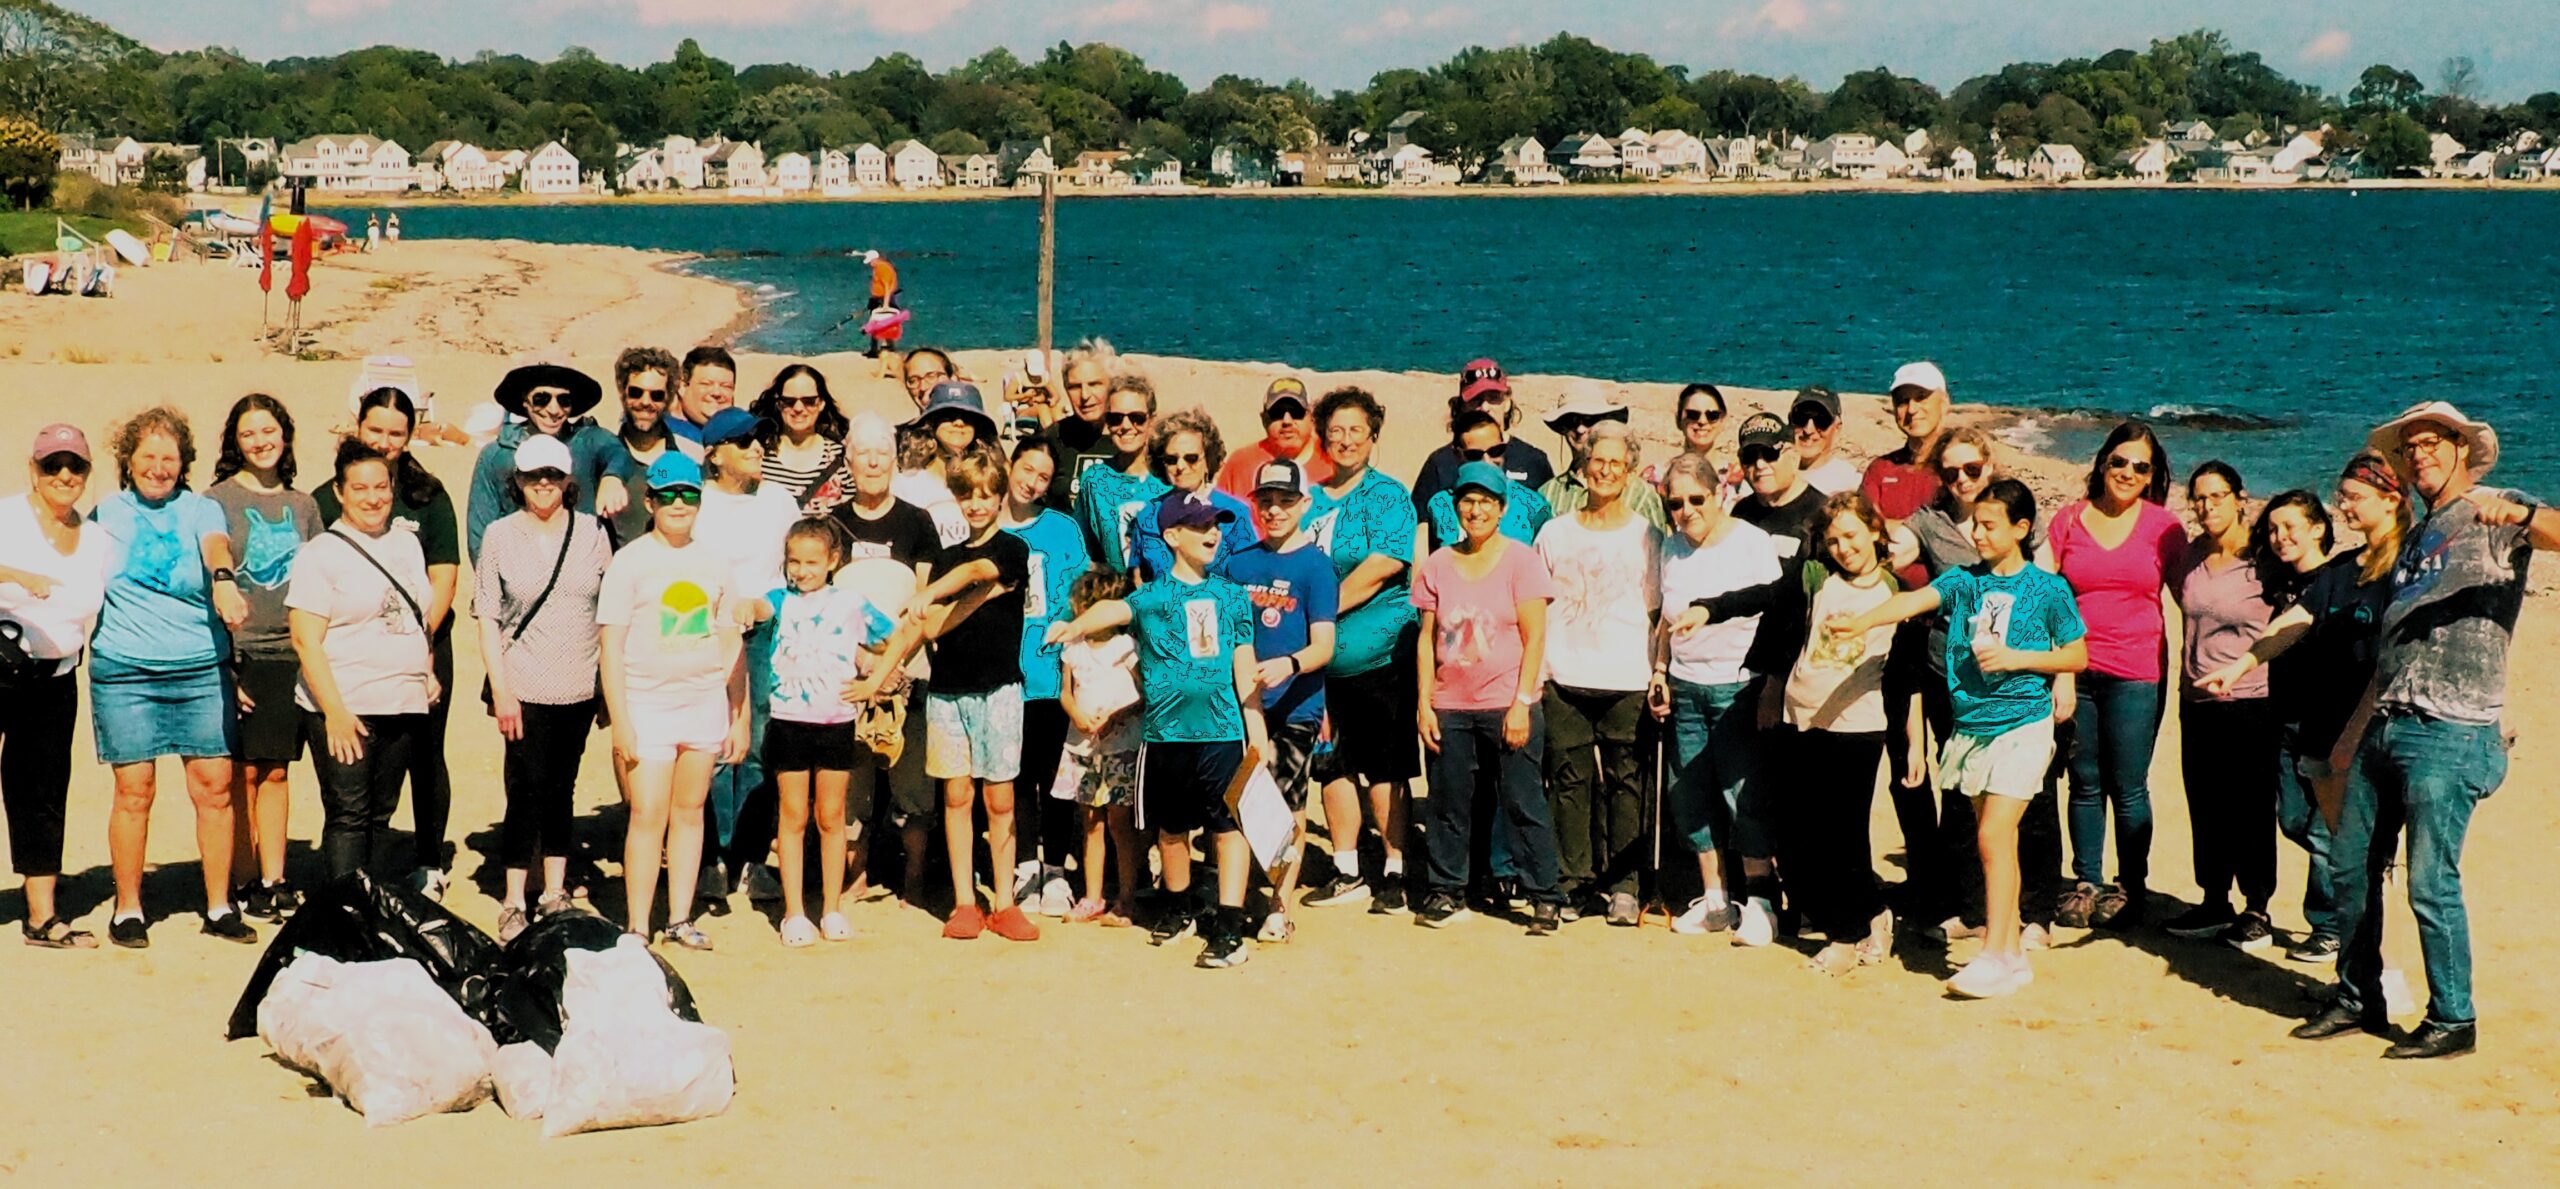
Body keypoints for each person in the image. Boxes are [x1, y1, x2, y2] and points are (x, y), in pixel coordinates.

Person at [2290, 403, 2556, 1060]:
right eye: (2409, 448)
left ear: (2462, 447)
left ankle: (2453, 1018)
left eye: (2431, 442)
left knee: (2430, 880)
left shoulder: (2497, 508)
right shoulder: (2417, 538)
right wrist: (2352, 735)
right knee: (2350, 866)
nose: (2419, 455)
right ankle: (2358, 996)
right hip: (2387, 722)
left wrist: (2521, 516)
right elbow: (2393, 648)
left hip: (2453, 729)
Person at [1826, 478, 2087, 999]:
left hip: (2023, 723)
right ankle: (2011, 954)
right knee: (1997, 842)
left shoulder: (2047, 589)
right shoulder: (1964, 581)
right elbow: (1914, 600)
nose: (1978, 533)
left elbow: (2076, 654)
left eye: (1989, 526)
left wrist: (2019, 659)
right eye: (1976, 525)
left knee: (1993, 836)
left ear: (2021, 528)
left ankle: (1993, 954)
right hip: (1971, 727)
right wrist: (1861, 622)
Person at [2197, 456, 2404, 965]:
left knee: (2342, 840)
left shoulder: (2400, 567)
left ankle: (2336, 933)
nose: (2344, 506)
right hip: (2302, 722)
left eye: (2353, 497)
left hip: (2362, 726)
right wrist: (2241, 665)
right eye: (2273, 528)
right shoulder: (2336, 573)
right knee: (2297, 821)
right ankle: (2351, 947)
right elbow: (2289, 623)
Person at [1046, 492, 1268, 967]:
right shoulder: (1150, 596)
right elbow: (1112, 612)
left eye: (1216, 524)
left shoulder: (1232, 596)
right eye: (1200, 525)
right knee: (1171, 830)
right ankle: (1179, 909)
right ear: (1172, 536)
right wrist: (1073, 627)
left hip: (1222, 732)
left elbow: (1244, 665)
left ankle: (1229, 929)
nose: (1213, 533)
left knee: (1228, 828)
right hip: (1165, 735)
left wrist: (1258, 729)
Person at [858, 444, 1041, 942]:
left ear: (1000, 497)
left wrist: (932, 594)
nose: (976, 504)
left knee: (1000, 799)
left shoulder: (1011, 549)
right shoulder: (944, 556)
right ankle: (964, 902)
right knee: (956, 796)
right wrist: (875, 680)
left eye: (985, 495)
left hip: (999, 691)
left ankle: (1004, 902)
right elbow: (918, 629)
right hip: (948, 692)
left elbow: (977, 572)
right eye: (967, 495)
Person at [92, 406, 253, 948]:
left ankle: (219, 905)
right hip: (125, 671)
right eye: (148, 457)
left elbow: (215, 546)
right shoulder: (105, 513)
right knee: (133, 790)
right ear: (127, 460)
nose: (158, 468)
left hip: (199, 667)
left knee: (214, 787)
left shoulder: (201, 509)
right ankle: (128, 909)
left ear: (184, 463)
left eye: (170, 458)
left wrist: (223, 580)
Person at [1902, 428, 2064, 948]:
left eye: (1971, 468)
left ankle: (2037, 913)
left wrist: (2062, 678)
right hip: (1954, 681)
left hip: (2022, 682)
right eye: (1951, 471)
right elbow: (1897, 548)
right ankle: (1973, 909)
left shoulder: (2017, 518)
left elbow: (2054, 600)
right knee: (1962, 798)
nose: (1962, 479)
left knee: (2031, 798)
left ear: (1989, 465)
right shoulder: (1931, 521)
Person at [317, 386, 462, 898]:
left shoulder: (427, 495)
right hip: (352, 652)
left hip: (424, 644)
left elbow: (444, 577)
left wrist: (418, 644)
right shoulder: (328, 495)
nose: (384, 441)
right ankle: (348, 877)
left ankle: (428, 858)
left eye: (396, 433)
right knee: (353, 776)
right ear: (358, 427)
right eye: (375, 429)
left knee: (425, 755)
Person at [1409, 460, 1564, 935]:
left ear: (1501, 508)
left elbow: (1535, 637)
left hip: (1506, 702)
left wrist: (1522, 702)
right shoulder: (1438, 563)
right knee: (1448, 803)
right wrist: (1424, 702)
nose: (1475, 511)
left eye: (1485, 502)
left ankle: (1544, 895)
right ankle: (1447, 888)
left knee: (1522, 802)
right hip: (1451, 704)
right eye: (1467, 501)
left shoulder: (1521, 561)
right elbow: (1426, 638)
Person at [600, 453, 744, 949]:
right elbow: (610, 647)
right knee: (647, 813)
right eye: (667, 496)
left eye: (688, 495)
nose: (678, 504)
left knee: (690, 810)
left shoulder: (714, 562)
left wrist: (738, 714)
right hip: (645, 704)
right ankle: (638, 925)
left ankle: (680, 918)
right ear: (650, 503)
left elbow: (730, 640)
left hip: (703, 701)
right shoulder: (629, 562)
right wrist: (621, 721)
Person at [473, 435, 613, 943]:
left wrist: (606, 688)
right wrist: (501, 690)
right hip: (524, 684)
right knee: (525, 788)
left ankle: (555, 889)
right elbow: (487, 617)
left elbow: (607, 611)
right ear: (518, 480)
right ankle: (514, 896)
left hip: (578, 684)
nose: (544, 484)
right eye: (534, 476)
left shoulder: (593, 532)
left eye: (552, 475)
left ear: (568, 478)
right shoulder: (499, 536)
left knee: (561, 787)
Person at [2048, 420, 2182, 931]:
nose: (2127, 472)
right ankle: (2086, 882)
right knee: (2084, 782)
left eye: (2140, 467)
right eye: (2119, 461)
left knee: (2128, 786)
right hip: (2076, 670)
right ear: (2103, 463)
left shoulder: (2164, 528)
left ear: (2152, 476)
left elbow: (2193, 596)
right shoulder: (2068, 520)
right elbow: (2044, 592)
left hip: (2136, 672)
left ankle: (2131, 886)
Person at [289, 440, 437, 885]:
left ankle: (372, 906)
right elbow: (305, 639)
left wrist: (426, 670)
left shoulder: (407, 544)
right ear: (339, 491)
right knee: (349, 814)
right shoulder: (321, 554)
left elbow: (417, 615)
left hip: (403, 701)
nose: (373, 498)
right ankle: (346, 911)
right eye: (360, 488)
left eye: (381, 487)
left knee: (380, 813)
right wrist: (334, 712)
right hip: (346, 704)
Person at [1299, 387, 1421, 913]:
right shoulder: (1310, 499)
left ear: (1373, 436)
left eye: (1356, 431)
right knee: (1331, 762)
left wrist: (1323, 613)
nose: (1346, 440)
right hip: (1320, 661)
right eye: (1336, 431)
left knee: (1386, 767)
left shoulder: (1387, 495)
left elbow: (1383, 565)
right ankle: (1346, 869)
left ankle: (1395, 871)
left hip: (1380, 657)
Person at [1651, 453, 1783, 940]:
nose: (1686, 511)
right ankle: (1715, 901)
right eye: (1675, 503)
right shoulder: (1670, 547)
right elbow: (1666, 619)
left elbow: (1776, 615)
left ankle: (1761, 904)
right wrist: (1660, 670)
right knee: (1691, 795)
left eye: (1696, 499)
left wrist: (1771, 686)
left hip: (1738, 686)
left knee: (1743, 797)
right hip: (1686, 686)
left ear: (1719, 494)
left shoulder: (1752, 542)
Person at [1535, 423, 1661, 926]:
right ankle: (1574, 882)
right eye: (1597, 462)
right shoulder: (1555, 532)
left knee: (1626, 781)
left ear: (1629, 473)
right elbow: (1538, 603)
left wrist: (1657, 670)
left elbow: (1656, 608)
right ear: (1583, 466)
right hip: (1564, 673)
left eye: (1616, 464)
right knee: (1570, 781)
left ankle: (1625, 886)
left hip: (1627, 675)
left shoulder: (1646, 535)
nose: (1605, 471)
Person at [1770, 493, 1901, 974]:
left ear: (1874, 531)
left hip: (1856, 727)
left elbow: (1907, 674)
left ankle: (1845, 938)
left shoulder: (1894, 591)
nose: (1844, 548)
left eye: (1851, 535)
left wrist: (1913, 743)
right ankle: (1871, 912)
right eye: (1833, 541)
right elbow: (1765, 599)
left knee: (1842, 835)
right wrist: (1709, 608)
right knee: (1799, 834)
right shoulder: (1817, 579)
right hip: (1801, 719)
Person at [2160, 461, 2283, 949]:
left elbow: (2294, 617)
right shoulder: (2191, 555)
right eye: (2199, 498)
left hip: (2251, 700)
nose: (2207, 506)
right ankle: (2214, 900)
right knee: (2205, 802)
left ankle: (2257, 907)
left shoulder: (2265, 558)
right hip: (2196, 699)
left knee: (2250, 806)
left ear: (2240, 498)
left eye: (2217, 496)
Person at [207, 395, 321, 921]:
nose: (260, 442)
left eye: (269, 430)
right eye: (249, 433)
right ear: (235, 441)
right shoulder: (216, 502)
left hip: (289, 651)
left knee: (276, 771)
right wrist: (225, 666)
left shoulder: (304, 505)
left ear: (285, 434)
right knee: (241, 774)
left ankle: (275, 877)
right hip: (239, 652)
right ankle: (244, 876)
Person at [825, 412, 942, 907]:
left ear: (895, 461)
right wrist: (859, 659)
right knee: (853, 778)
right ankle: (856, 873)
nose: (873, 463)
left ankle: (912, 876)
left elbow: (924, 599)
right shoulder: (832, 523)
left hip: (907, 667)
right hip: (847, 669)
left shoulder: (917, 521)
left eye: (882, 454)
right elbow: (820, 598)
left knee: (911, 777)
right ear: (849, 462)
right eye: (863, 454)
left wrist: (894, 663)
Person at [1, 425, 110, 949]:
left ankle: (41, 917)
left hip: (55, 679)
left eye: (75, 466)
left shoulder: (96, 538)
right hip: (0, 665)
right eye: (52, 465)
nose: (64, 475)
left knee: (42, 794)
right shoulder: (8, 517)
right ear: (34, 469)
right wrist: (14, 575)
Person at [1223, 459, 1339, 942]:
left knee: (1289, 802)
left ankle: (1279, 905)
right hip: (1242, 703)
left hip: (1295, 704)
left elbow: (1324, 645)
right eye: (1265, 501)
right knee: (1239, 799)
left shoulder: (1316, 566)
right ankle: (1233, 896)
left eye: (1285, 501)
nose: (1274, 511)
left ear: (1304, 504)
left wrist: (1289, 664)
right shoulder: (1238, 563)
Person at [759, 517, 890, 946]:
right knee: (792, 815)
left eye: (812, 562)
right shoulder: (778, 600)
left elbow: (895, 638)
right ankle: (794, 912)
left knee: (831, 816)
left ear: (833, 560)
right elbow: (757, 611)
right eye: (794, 561)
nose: (802, 571)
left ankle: (832, 908)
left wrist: (872, 676)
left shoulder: (851, 603)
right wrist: (745, 608)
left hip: (836, 720)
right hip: (788, 719)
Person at [692, 407, 801, 906]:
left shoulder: (779, 501)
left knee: (759, 745)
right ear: (715, 454)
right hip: (705, 633)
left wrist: (767, 607)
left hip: (766, 632)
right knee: (714, 746)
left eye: (760, 439)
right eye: (743, 442)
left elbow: (796, 571)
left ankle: (753, 858)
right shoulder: (698, 503)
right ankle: (713, 857)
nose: (757, 448)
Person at [1000, 437, 1091, 917]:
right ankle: (1023, 867)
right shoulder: (987, 523)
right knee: (1014, 777)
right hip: (1001, 672)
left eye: (1043, 476)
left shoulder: (1061, 529)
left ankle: (1055, 869)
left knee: (1056, 777)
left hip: (1052, 673)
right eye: (1027, 469)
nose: (1032, 482)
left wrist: (1070, 628)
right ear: (1009, 464)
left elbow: (1081, 594)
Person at [465, 354, 621, 561]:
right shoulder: (496, 456)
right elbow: (480, 533)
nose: (553, 410)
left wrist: (613, 477)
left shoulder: (588, 443)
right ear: (525, 401)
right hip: (517, 570)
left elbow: (619, 452)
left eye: (563, 400)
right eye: (542, 399)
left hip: (580, 569)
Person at [1055, 569, 1144, 925]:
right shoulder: (1073, 648)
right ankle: (1092, 897)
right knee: (1090, 821)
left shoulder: (1126, 647)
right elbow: (1066, 693)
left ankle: (1126, 898)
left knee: (1120, 823)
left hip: (1121, 745)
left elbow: (1144, 694)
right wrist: (1076, 714)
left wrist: (1116, 717)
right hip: (1082, 747)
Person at [1410, 359, 1556, 517]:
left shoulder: (1533, 461)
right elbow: (1421, 522)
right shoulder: (1440, 463)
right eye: (1476, 400)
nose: (1485, 407)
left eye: (1493, 398)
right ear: (1462, 406)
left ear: (1507, 403)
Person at [1130, 407, 1257, 582]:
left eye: (1191, 458)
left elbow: (1250, 575)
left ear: (1209, 460)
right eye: (1171, 460)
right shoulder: (1149, 514)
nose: (1180, 466)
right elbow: (1138, 578)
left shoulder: (1235, 512)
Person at [601, 347, 700, 546]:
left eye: (656, 395)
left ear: (668, 397)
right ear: (622, 393)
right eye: (636, 393)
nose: (645, 402)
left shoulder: (692, 456)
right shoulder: (602, 458)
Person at [1072, 373, 1170, 574]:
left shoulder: (1169, 480)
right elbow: (1081, 546)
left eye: (1136, 418)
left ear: (1151, 420)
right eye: (1116, 419)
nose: (1126, 426)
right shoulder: (1095, 480)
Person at [1423, 409, 1551, 550]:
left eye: (1495, 451)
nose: (1487, 461)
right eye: (1474, 455)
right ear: (1457, 454)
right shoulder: (1440, 505)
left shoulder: (1532, 505)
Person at [1539, 388, 1666, 530]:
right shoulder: (1548, 493)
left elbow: (1656, 541)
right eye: (1572, 421)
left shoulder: (1639, 494)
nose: (1580, 429)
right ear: (1563, 428)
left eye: (1588, 419)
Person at [749, 363, 856, 514]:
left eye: (809, 401)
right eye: (789, 401)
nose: (798, 408)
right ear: (779, 404)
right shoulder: (759, 453)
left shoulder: (840, 456)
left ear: (821, 403)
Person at [897, 379, 992, 547]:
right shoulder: (906, 484)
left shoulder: (989, 481)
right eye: (948, 416)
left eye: (968, 418)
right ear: (931, 424)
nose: (959, 423)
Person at [1216, 377, 1335, 501]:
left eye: (1296, 412)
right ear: (1264, 420)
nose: (1287, 421)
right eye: (1277, 413)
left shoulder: (1332, 459)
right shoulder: (1240, 463)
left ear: (1311, 418)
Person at [1035, 339, 1119, 512]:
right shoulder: (1053, 438)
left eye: (1094, 384)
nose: (1085, 395)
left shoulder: (1130, 437)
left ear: (1112, 385)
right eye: (1075, 387)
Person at [1729, 412, 1828, 559]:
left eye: (1770, 454)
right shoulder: (1741, 513)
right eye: (1750, 456)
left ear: (1794, 457)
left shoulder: (1822, 513)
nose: (1760, 464)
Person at [1791, 386, 1861, 495]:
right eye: (1801, 418)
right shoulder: (1769, 473)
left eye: (1821, 420)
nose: (1809, 430)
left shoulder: (1849, 482)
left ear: (1837, 427)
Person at [664, 345, 738, 446]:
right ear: (682, 386)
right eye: (706, 384)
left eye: (726, 386)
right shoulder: (660, 435)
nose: (717, 393)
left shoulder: (737, 439)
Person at [863, 249, 901, 359]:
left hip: (883, 299)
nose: (870, 264)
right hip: (878, 298)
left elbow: (887, 287)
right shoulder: (878, 268)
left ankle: (884, 348)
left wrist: (885, 304)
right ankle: (876, 349)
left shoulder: (882, 268)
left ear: (876, 259)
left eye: (871, 261)